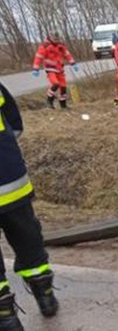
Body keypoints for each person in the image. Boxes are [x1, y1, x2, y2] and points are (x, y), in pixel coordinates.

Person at [0, 82, 59, 331]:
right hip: (11, 180)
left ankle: (6, 318)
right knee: (28, 238)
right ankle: (45, 295)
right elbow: (16, 124)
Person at [31, 32, 78, 110]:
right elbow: (38, 57)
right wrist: (36, 68)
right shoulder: (45, 46)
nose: (56, 40)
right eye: (54, 39)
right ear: (50, 38)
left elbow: (67, 54)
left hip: (59, 69)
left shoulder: (61, 45)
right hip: (50, 69)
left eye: (57, 39)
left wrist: (73, 63)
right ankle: (49, 102)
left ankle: (63, 105)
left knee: (63, 87)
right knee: (55, 84)